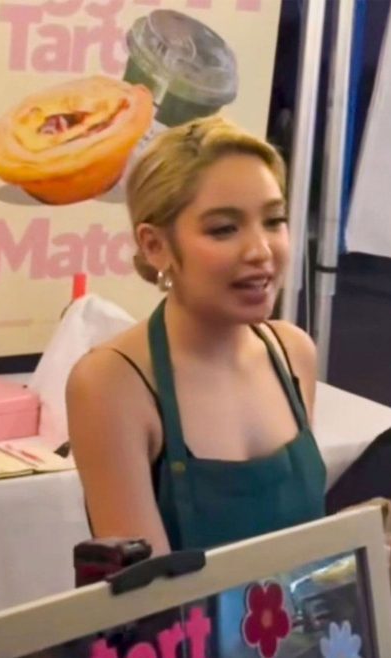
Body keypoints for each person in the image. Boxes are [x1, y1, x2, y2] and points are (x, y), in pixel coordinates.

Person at [66, 116, 324, 554]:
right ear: (155, 246)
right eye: (224, 228)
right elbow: (147, 600)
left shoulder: (293, 353)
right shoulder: (112, 384)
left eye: (274, 220)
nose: (261, 251)